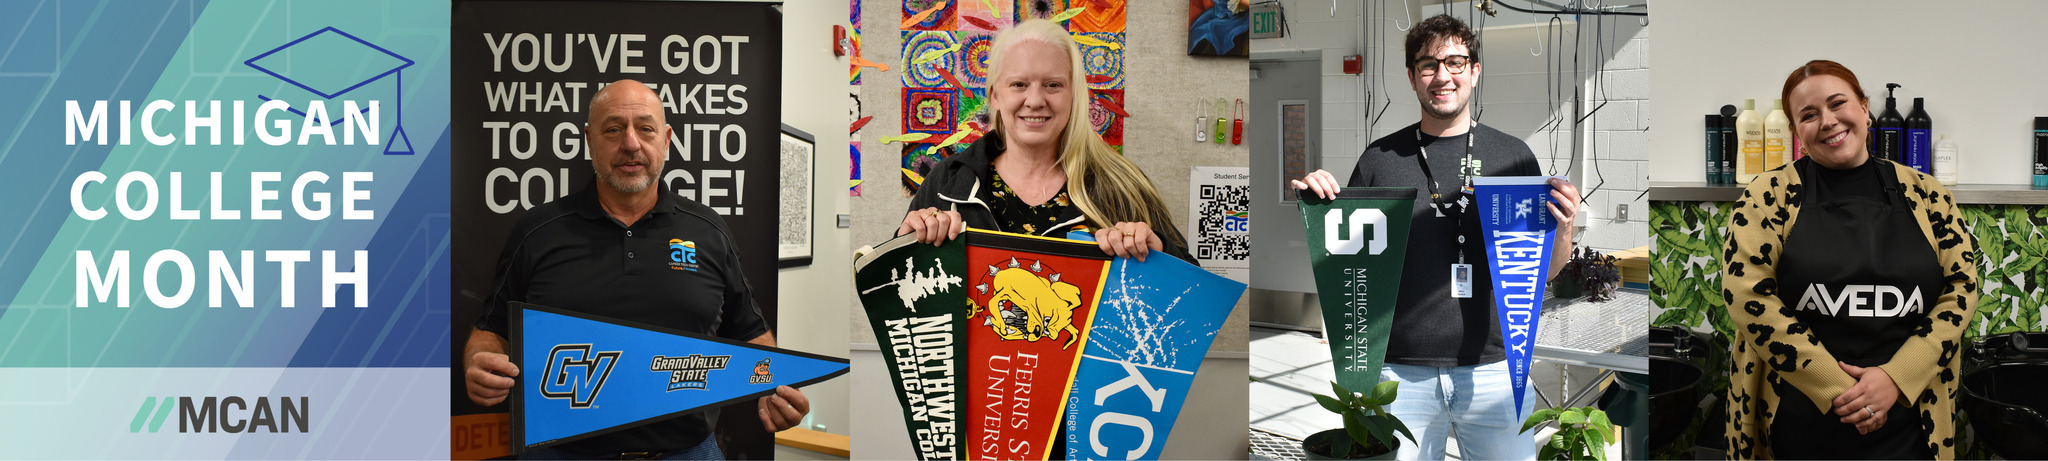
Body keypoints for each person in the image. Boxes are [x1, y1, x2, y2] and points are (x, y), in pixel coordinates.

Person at [462, 79, 808, 460]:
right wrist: (480, 363)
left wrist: (775, 385)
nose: (630, 143)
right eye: (613, 129)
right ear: (589, 140)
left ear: (666, 140)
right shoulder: (537, 232)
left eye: (645, 128)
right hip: (560, 453)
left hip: (688, 452)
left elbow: (751, 331)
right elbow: (490, 329)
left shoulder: (709, 232)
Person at [1292, 14, 1580, 461]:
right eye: (1428, 64)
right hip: (1398, 372)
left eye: (1456, 62)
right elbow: (1347, 261)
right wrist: (1320, 205)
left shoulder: (1514, 157)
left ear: (1475, 71)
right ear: (1411, 77)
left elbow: (1545, 271)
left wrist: (1565, 228)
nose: (1442, 76)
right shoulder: (1379, 160)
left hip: (1495, 369)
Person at [1720, 60, 1979, 460]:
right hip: (1795, 419)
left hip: (1910, 422)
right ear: (1796, 132)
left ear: (1863, 109)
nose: (1827, 121)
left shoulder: (1928, 194)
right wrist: (1839, 389)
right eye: (1808, 115)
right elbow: (1747, 295)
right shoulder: (1765, 195)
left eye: (1838, 103)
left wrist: (1895, 378)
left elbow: (1961, 288)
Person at [899, 19, 1192, 265]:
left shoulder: (1121, 184)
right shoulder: (950, 181)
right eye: (1019, 85)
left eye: (1053, 85)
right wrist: (906, 240)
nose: (1036, 100)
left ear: (1074, 95)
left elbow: (1193, 293)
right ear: (995, 97)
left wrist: (1158, 250)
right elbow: (896, 291)